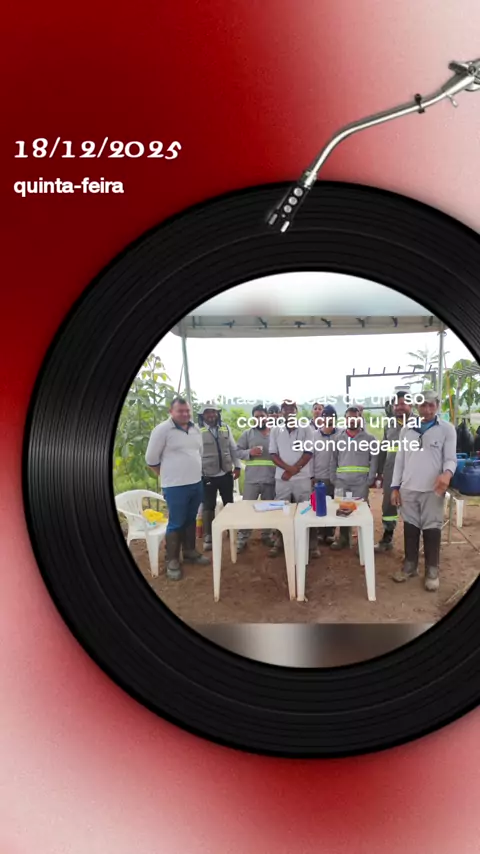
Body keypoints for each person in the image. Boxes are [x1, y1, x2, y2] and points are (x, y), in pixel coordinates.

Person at [390, 389, 457, 591]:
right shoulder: (407, 429)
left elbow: (451, 459)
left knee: (432, 529)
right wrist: (395, 487)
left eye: (431, 405)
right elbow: (400, 461)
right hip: (408, 488)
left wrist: (447, 474)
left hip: (433, 489)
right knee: (410, 527)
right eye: (423, 405)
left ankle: (432, 570)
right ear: (416, 406)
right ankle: (410, 566)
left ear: (437, 406)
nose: (427, 409)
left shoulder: (446, 429)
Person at [145, 397, 209, 581]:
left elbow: (199, 453)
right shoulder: (162, 430)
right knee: (176, 522)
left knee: (190, 519)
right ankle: (172, 559)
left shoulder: (195, 429)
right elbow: (151, 459)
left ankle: (189, 551)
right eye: (180, 411)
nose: (185, 414)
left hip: (196, 483)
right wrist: (167, 475)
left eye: (187, 410)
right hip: (175, 486)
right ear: (171, 412)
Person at [268, 400, 317, 558]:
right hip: (282, 478)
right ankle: (280, 542)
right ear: (281, 412)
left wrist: (294, 470)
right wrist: (289, 470)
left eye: (291, 408)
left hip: (302, 478)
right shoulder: (275, 430)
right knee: (281, 511)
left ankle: (311, 546)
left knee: (306, 510)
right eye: (285, 409)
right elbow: (273, 454)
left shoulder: (306, 428)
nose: (288, 411)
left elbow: (308, 452)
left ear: (296, 411)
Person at [329, 405, 378, 550]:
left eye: (355, 417)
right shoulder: (338, 438)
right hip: (342, 482)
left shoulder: (369, 439)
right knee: (342, 510)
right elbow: (333, 460)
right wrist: (333, 478)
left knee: (362, 512)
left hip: (360, 483)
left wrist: (370, 479)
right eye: (349, 417)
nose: (352, 420)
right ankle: (344, 539)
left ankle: (364, 543)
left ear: (360, 419)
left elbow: (374, 460)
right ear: (345, 419)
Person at [198, 404, 242, 552]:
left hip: (225, 473)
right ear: (202, 415)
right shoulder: (197, 430)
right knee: (208, 506)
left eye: (213, 412)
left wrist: (237, 466)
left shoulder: (225, 428)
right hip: (207, 474)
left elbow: (233, 448)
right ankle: (208, 536)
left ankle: (231, 530)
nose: (211, 415)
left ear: (217, 414)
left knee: (229, 503)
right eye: (207, 413)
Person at [374, 389, 413, 552]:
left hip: (412, 472)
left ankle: (414, 545)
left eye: (403, 404)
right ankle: (387, 538)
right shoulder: (389, 425)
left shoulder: (420, 424)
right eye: (396, 404)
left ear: (411, 405)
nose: (399, 407)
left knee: (413, 506)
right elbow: (383, 448)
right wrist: (379, 472)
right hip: (391, 472)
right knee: (389, 506)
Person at [235, 404, 276, 552]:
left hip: (271, 478)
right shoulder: (247, 434)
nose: (259, 419)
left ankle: (266, 535)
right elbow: (237, 452)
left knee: (268, 509)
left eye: (262, 416)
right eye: (256, 416)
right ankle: (242, 539)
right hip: (252, 479)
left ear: (267, 417)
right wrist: (249, 453)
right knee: (247, 510)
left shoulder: (275, 433)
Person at [312, 404, 338, 544]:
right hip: (319, 477)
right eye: (325, 416)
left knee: (333, 505)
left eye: (331, 416)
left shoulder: (341, 434)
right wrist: (312, 476)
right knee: (320, 505)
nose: (328, 418)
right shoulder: (314, 435)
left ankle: (330, 533)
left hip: (335, 477)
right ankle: (320, 533)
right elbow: (310, 457)